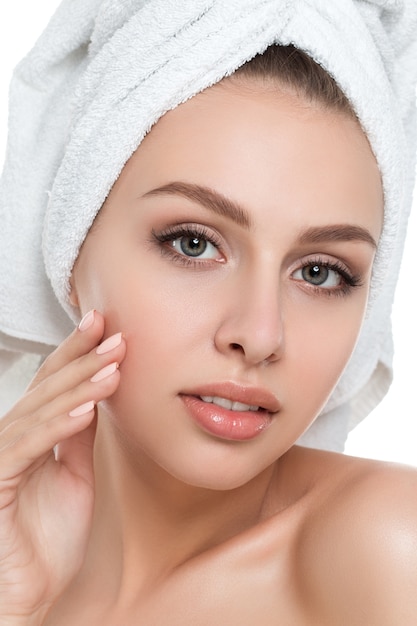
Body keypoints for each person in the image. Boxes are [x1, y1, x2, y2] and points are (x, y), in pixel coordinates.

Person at [0, 2, 416, 624]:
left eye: (320, 272)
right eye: (193, 243)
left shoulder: (386, 548)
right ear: (73, 247)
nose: (259, 334)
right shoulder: (22, 570)